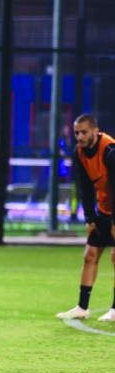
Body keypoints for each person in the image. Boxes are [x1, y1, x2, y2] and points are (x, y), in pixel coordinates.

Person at [56, 114, 115, 322]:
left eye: (84, 132)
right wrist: (90, 218)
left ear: (95, 131)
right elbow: (85, 187)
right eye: (76, 133)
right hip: (104, 209)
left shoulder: (110, 151)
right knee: (90, 255)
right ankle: (82, 307)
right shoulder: (79, 153)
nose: (79, 137)